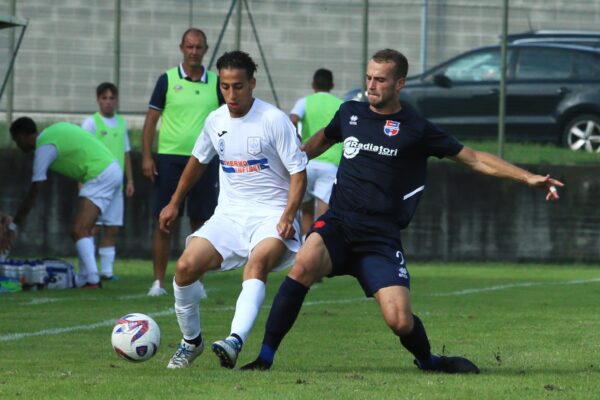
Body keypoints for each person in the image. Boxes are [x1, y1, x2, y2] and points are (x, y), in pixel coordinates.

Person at [241, 48, 564, 373]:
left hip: (379, 237)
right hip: (338, 223)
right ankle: (265, 358)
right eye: (368, 78)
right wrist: (284, 168)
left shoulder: (416, 127)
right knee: (302, 266)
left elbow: (475, 158)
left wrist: (527, 177)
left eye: (380, 80)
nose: (371, 85)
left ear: (400, 84)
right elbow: (317, 143)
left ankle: (429, 361)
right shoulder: (349, 113)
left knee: (399, 320)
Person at [159, 50, 307, 370]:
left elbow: (298, 173)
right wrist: (174, 202)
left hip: (271, 216)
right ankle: (191, 342)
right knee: (185, 268)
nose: (231, 94)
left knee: (255, 266)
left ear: (252, 83)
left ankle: (234, 340)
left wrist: (288, 214)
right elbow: (198, 161)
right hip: (228, 216)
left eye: (238, 86)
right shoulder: (216, 121)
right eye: (225, 86)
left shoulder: (274, 120)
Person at [142, 28, 223, 296]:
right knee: (165, 220)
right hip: (169, 159)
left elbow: (227, 120)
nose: (194, 52)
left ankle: (195, 279)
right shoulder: (166, 80)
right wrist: (146, 155)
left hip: (204, 160)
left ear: (206, 50)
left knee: (200, 222)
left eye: (199, 47)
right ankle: (158, 282)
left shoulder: (216, 82)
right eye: (189, 46)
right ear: (181, 48)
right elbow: (152, 120)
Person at [3, 117, 123, 288]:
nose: (17, 145)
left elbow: (34, 190)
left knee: (78, 230)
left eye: (16, 140)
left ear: (22, 136)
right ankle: (85, 277)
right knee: (84, 230)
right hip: (106, 170)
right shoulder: (53, 131)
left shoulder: (44, 147)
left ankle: (93, 281)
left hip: (100, 174)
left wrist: (14, 226)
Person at [81, 82, 135, 280]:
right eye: (104, 98)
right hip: (95, 184)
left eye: (112, 98)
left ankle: (107, 271)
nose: (108, 102)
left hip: (116, 186)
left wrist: (130, 180)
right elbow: (82, 153)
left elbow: (126, 152)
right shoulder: (91, 123)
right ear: (98, 100)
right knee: (90, 227)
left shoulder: (122, 123)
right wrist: (82, 181)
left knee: (112, 227)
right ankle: (88, 269)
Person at [289, 68, 343, 235]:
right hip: (331, 165)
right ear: (332, 85)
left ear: (313, 84)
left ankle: (305, 247)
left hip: (308, 162)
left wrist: (294, 139)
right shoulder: (341, 104)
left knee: (306, 210)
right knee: (323, 214)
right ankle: (318, 246)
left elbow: (292, 119)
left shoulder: (304, 102)